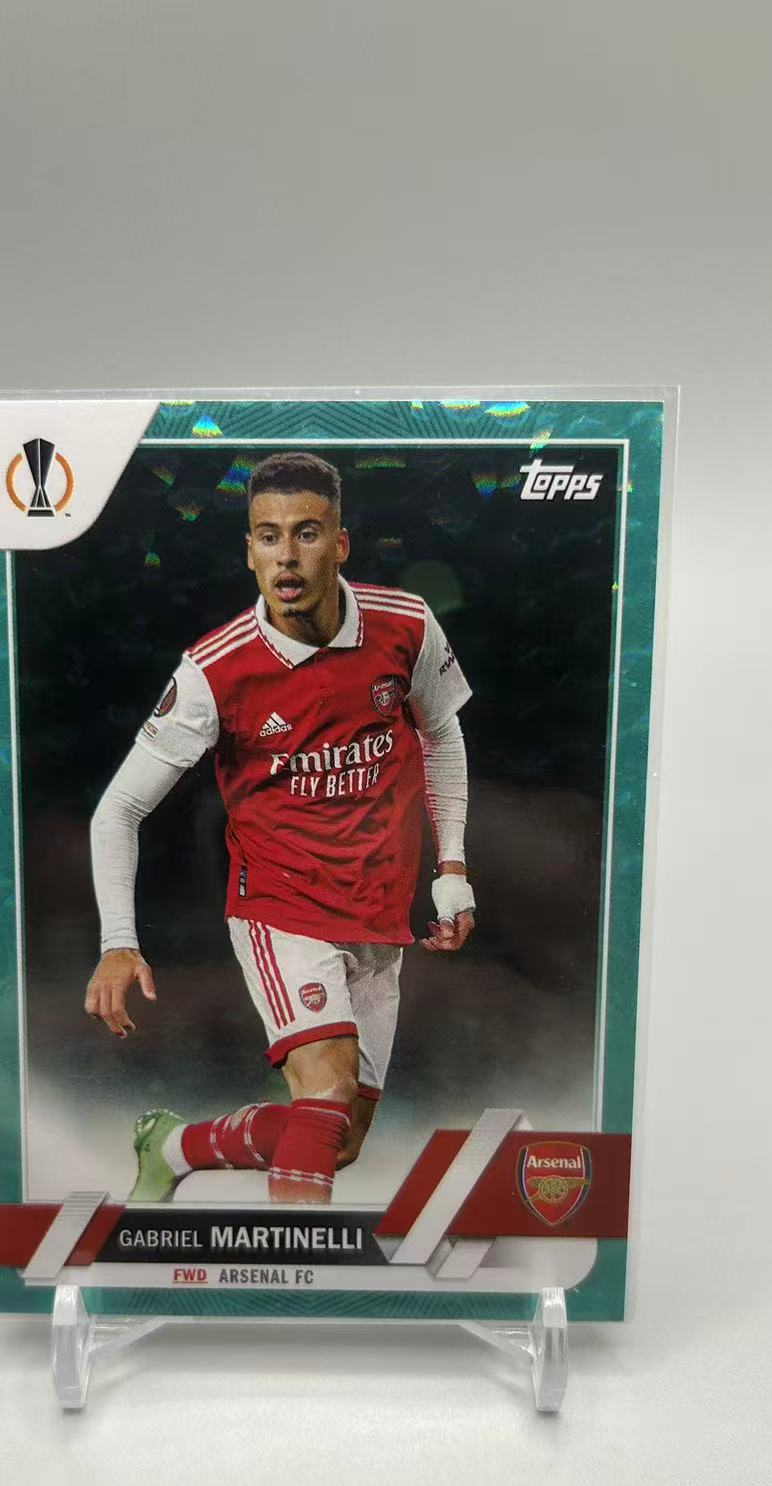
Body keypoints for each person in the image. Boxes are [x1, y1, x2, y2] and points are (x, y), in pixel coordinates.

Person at [85, 451, 475, 1204]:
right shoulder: (215, 671)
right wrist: (117, 942)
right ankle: (301, 1265)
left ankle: (172, 1146)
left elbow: (441, 736)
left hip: (377, 910)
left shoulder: (405, 624)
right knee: (325, 1100)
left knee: (340, 1139)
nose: (286, 556)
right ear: (249, 551)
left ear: (340, 543)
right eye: (268, 537)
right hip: (281, 906)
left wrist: (452, 868)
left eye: (306, 533)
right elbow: (118, 810)